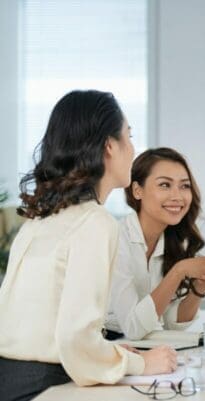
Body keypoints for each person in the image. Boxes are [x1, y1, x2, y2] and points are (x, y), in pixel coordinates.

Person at [0, 90, 177, 401]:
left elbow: (49, 328)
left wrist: (107, 353)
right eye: (129, 136)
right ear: (109, 146)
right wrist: (142, 361)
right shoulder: (95, 222)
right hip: (46, 387)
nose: (133, 149)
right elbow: (75, 339)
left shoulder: (40, 219)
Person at [105, 147, 205, 340]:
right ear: (137, 190)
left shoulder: (173, 241)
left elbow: (170, 323)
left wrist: (199, 287)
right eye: (165, 185)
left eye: (184, 186)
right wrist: (179, 271)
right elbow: (133, 328)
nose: (177, 196)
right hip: (100, 348)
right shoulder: (116, 239)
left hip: (139, 346)